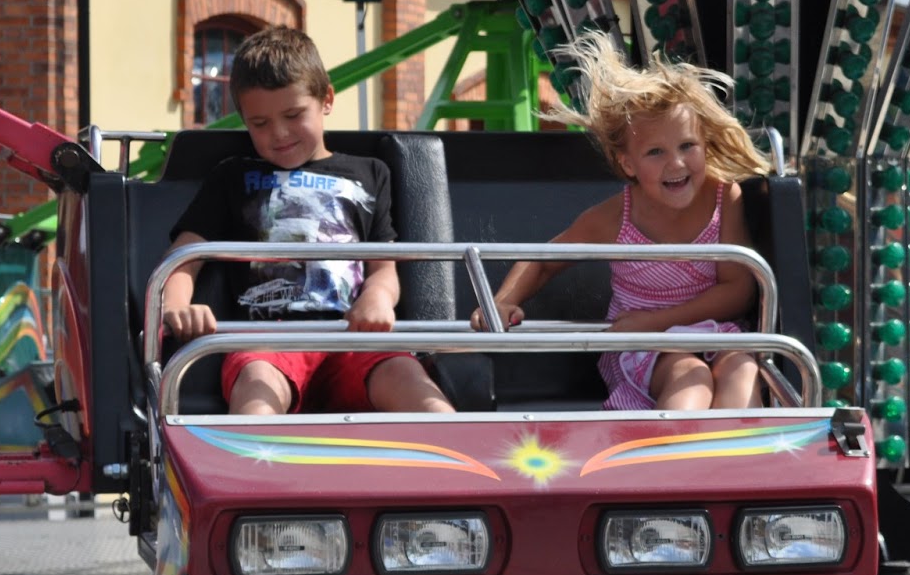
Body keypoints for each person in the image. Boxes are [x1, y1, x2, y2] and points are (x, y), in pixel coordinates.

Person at [160, 26, 453, 417]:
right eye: (259, 123)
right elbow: (183, 257)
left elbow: (384, 268)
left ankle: (464, 453)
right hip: (269, 341)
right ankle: (251, 455)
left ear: (326, 99)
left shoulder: (370, 174)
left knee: (412, 382)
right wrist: (177, 306)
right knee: (257, 389)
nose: (279, 133)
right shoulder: (231, 177)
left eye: (293, 115)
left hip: (352, 337)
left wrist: (378, 299)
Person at [470, 31, 768, 410]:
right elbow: (543, 260)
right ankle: (674, 445)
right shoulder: (615, 217)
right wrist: (503, 301)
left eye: (687, 146)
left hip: (711, 331)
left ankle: (738, 447)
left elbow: (738, 289)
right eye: (656, 152)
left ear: (704, 144)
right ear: (628, 164)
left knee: (743, 368)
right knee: (690, 376)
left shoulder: (724, 197)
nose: (676, 163)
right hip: (639, 343)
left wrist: (661, 320)